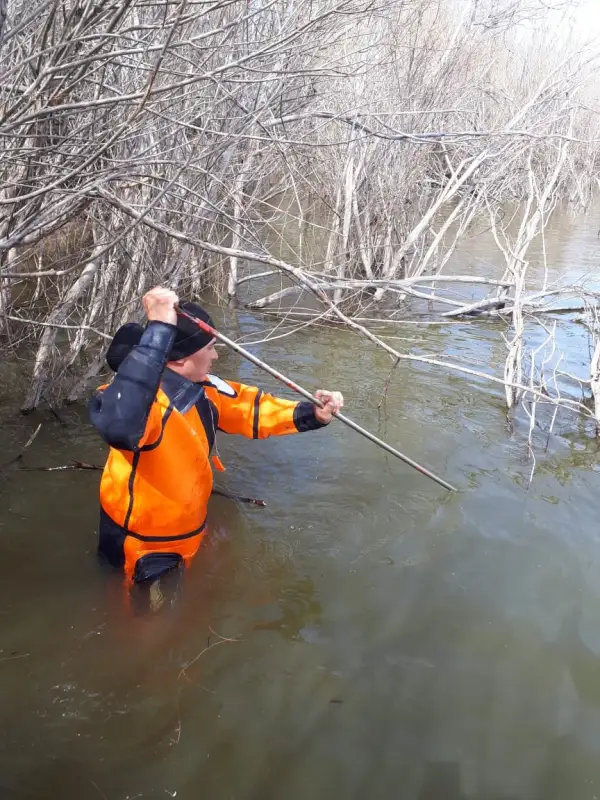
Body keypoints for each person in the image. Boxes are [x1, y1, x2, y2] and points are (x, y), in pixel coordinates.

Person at [89, 287, 344, 598]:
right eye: (210, 347)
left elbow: (250, 407)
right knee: (146, 631)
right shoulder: (145, 407)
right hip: (144, 548)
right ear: (181, 360)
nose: (216, 355)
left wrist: (311, 414)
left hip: (188, 531)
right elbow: (120, 425)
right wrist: (159, 330)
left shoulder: (204, 387)